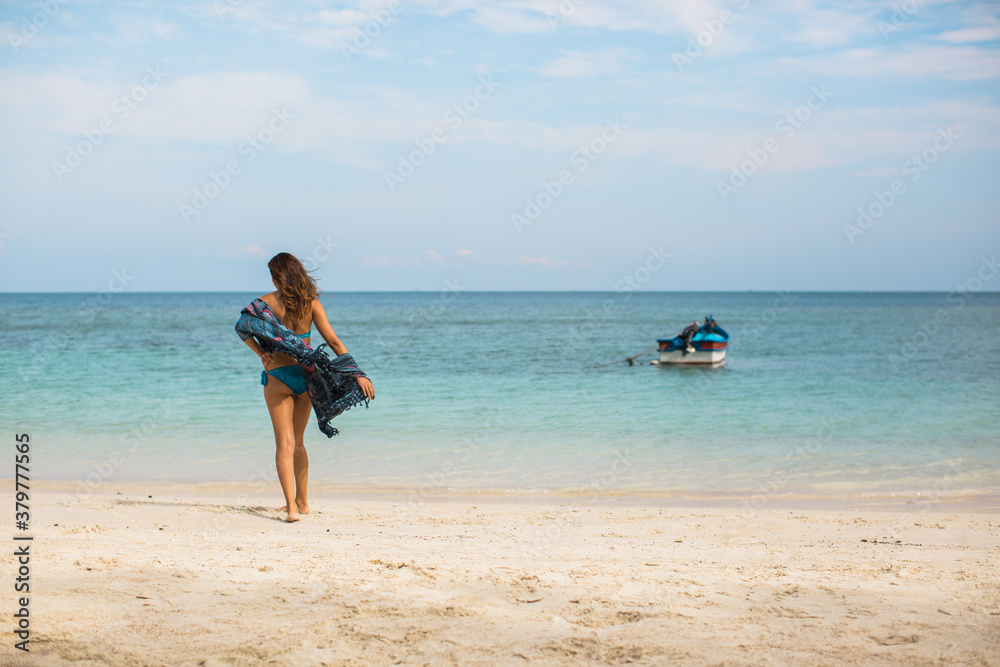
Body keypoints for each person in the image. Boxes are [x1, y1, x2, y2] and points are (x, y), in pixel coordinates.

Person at [239, 253, 375, 523]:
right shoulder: (311, 304)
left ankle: (291, 508)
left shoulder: (264, 304)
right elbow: (333, 342)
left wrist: (260, 353)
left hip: (278, 377)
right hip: (307, 378)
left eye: (272, 274)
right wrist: (358, 373)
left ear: (277, 277)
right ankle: (303, 503)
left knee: (284, 444)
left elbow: (242, 326)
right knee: (299, 443)